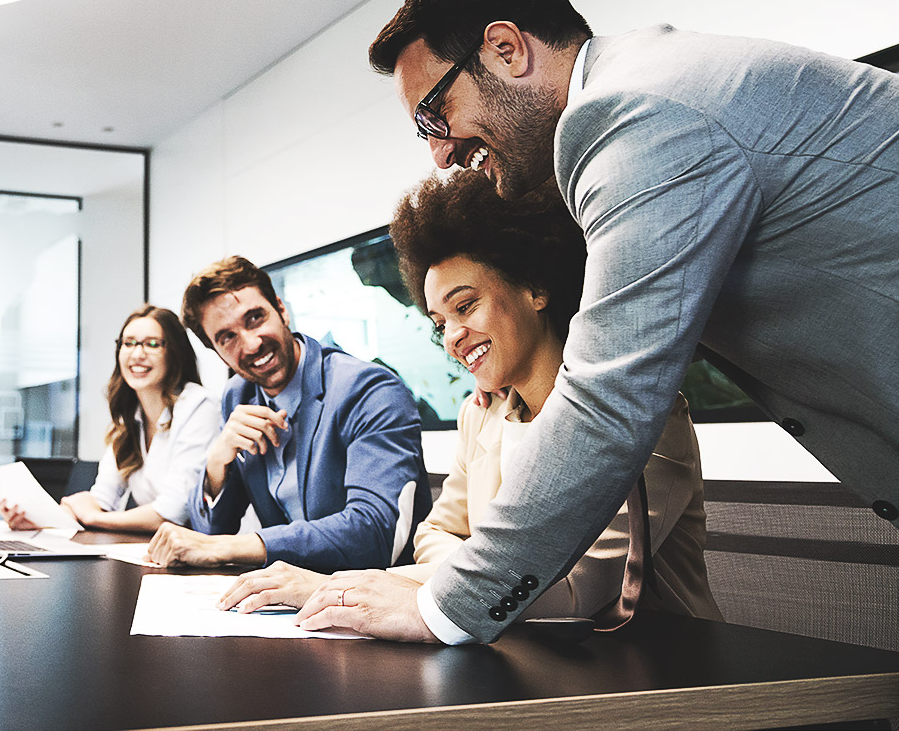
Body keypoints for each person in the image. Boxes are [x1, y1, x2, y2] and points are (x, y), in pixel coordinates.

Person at [297, 0, 899, 644]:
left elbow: (610, 399)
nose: (438, 152)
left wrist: (442, 607)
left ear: (506, 48)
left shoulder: (632, 116)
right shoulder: (648, 85)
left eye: (434, 113)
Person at [218, 172, 720, 623]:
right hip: (514, 656)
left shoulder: (642, 414)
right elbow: (434, 534)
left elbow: (572, 595)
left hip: (661, 675)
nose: (453, 335)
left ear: (535, 286)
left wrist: (342, 587)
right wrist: (472, 571)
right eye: (440, 323)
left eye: (466, 305)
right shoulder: (481, 416)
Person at [146, 256, 430, 572]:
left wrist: (238, 545)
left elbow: (375, 533)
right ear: (217, 352)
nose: (251, 343)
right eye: (227, 337)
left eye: (255, 318)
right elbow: (209, 534)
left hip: (373, 597)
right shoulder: (238, 396)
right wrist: (216, 462)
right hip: (289, 596)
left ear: (281, 309)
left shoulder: (368, 389)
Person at [0, 304, 220, 532]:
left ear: (175, 353)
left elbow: (171, 514)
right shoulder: (130, 419)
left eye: (152, 344)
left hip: (217, 556)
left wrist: (93, 518)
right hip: (160, 551)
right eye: (128, 343)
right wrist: (35, 520)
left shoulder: (199, 406)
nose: (137, 354)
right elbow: (101, 499)